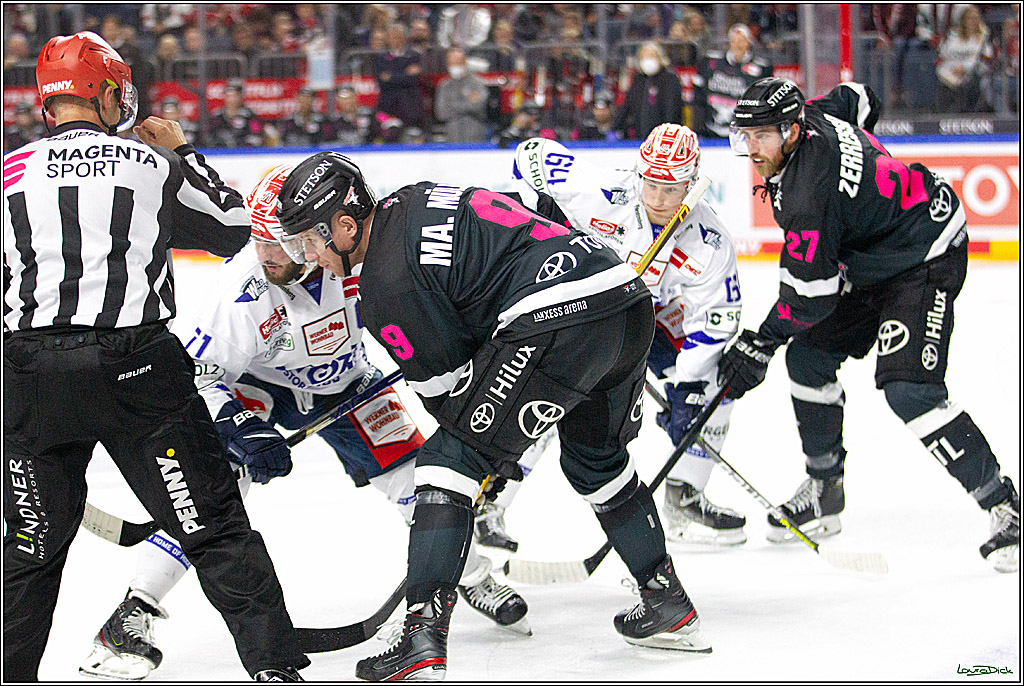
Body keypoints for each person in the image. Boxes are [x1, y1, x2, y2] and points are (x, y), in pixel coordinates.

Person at [77, 165, 532, 681]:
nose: (269, 253)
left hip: (349, 384)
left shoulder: (357, 261)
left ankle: (467, 575)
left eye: (283, 242)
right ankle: (133, 612)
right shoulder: (240, 289)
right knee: (213, 496)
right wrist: (237, 425)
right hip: (259, 389)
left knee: (423, 482)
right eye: (259, 239)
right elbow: (200, 376)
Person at [274, 152, 713, 680]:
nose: (308, 256)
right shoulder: (413, 197)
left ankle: (420, 638)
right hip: (623, 296)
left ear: (345, 226)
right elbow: (525, 213)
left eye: (308, 241)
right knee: (596, 462)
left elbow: (447, 390)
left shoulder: (385, 286)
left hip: (558, 319)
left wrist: (485, 454)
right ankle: (666, 602)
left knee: (445, 461)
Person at [3, 32, 309, 682]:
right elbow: (233, 232)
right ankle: (276, 670)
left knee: (30, 549)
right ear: (109, 92)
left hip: (30, 376)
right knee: (216, 525)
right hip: (136, 371)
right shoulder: (149, 164)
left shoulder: (9, 172)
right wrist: (182, 149)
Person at [721, 77, 1019, 572]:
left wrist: (759, 344)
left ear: (792, 131)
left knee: (910, 390)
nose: (751, 149)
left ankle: (1005, 506)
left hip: (925, 254)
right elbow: (861, 95)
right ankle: (824, 488)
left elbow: (809, 299)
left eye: (762, 137)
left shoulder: (808, 197)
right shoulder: (817, 113)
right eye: (745, 136)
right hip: (873, 258)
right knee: (809, 359)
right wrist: (866, 188)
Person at [492, 127, 747, 549]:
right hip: (575, 309)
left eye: (671, 187)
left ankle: (685, 493)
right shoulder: (600, 191)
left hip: (642, 314)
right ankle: (492, 507)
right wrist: (541, 214)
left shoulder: (709, 241)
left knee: (718, 386)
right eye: (651, 182)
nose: (659, 197)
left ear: (692, 182)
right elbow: (529, 153)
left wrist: (687, 385)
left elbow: (717, 318)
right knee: (549, 400)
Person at [692, 23, 773, 138]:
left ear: (748, 43)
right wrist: (698, 129)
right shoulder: (710, 62)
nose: (738, 45)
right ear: (729, 43)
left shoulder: (761, 68)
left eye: (742, 41)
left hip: (745, 134)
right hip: (712, 131)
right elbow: (698, 97)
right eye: (734, 41)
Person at [613, 41, 683, 141]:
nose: (647, 60)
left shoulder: (670, 79)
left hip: (664, 138)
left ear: (659, 58)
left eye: (650, 56)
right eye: (643, 57)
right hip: (640, 135)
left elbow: (672, 109)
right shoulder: (638, 80)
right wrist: (615, 127)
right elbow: (627, 105)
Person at [434, 48, 488, 143]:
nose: (455, 66)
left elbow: (478, 107)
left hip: (475, 137)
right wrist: (468, 104)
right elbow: (441, 112)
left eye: (458, 62)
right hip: (452, 138)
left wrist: (451, 105)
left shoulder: (477, 83)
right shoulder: (444, 86)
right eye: (452, 63)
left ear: (465, 62)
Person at [210, 78, 268, 148]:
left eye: (235, 96)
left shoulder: (250, 116)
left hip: (244, 154)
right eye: (229, 96)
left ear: (241, 96)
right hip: (222, 154)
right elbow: (210, 137)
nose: (232, 99)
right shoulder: (217, 117)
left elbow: (256, 135)